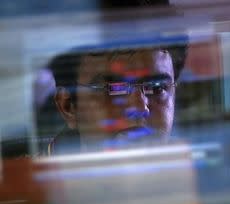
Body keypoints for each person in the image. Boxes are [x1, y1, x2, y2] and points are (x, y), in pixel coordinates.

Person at [47, 43, 187, 155]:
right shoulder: (33, 186)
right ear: (68, 107)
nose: (139, 108)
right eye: (115, 89)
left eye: (157, 88)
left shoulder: (199, 178)